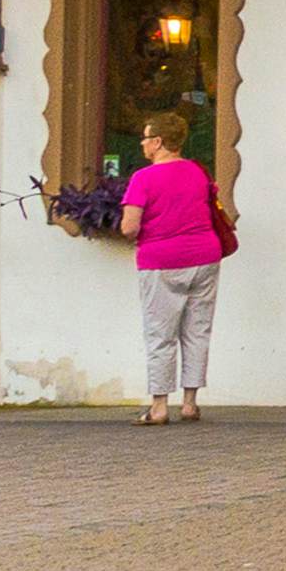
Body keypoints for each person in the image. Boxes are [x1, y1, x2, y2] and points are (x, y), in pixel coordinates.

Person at [119, 112, 225, 425]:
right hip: (205, 256)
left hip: (162, 261)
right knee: (197, 330)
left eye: (146, 137)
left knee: (160, 334)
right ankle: (190, 403)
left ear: (159, 142)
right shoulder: (197, 172)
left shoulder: (143, 178)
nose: (142, 142)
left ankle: (160, 406)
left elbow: (129, 227)